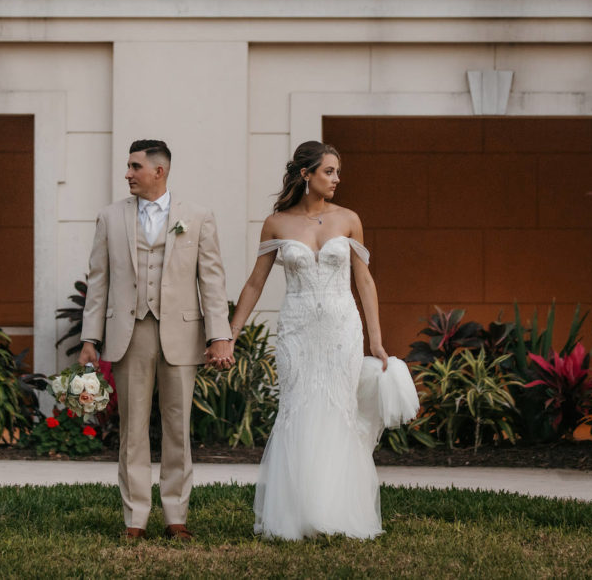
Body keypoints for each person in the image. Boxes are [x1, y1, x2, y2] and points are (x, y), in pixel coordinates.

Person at [229, 140, 417, 540]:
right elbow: (255, 282)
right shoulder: (276, 223)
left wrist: (377, 340)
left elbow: (364, 280)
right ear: (306, 174)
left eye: (337, 172)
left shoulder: (349, 219)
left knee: (338, 409)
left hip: (340, 329)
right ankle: (296, 514)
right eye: (329, 171)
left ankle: (339, 512)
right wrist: (231, 334)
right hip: (297, 329)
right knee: (298, 410)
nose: (336, 179)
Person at [78, 139, 234, 542]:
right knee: (132, 428)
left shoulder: (198, 217)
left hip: (181, 332)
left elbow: (212, 281)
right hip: (130, 334)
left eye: (134, 167)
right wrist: (90, 338)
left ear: (158, 171)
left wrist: (219, 335)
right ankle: (135, 519)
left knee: (177, 427)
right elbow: (99, 281)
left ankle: (176, 516)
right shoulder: (110, 217)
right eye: (128, 167)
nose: (127, 174)